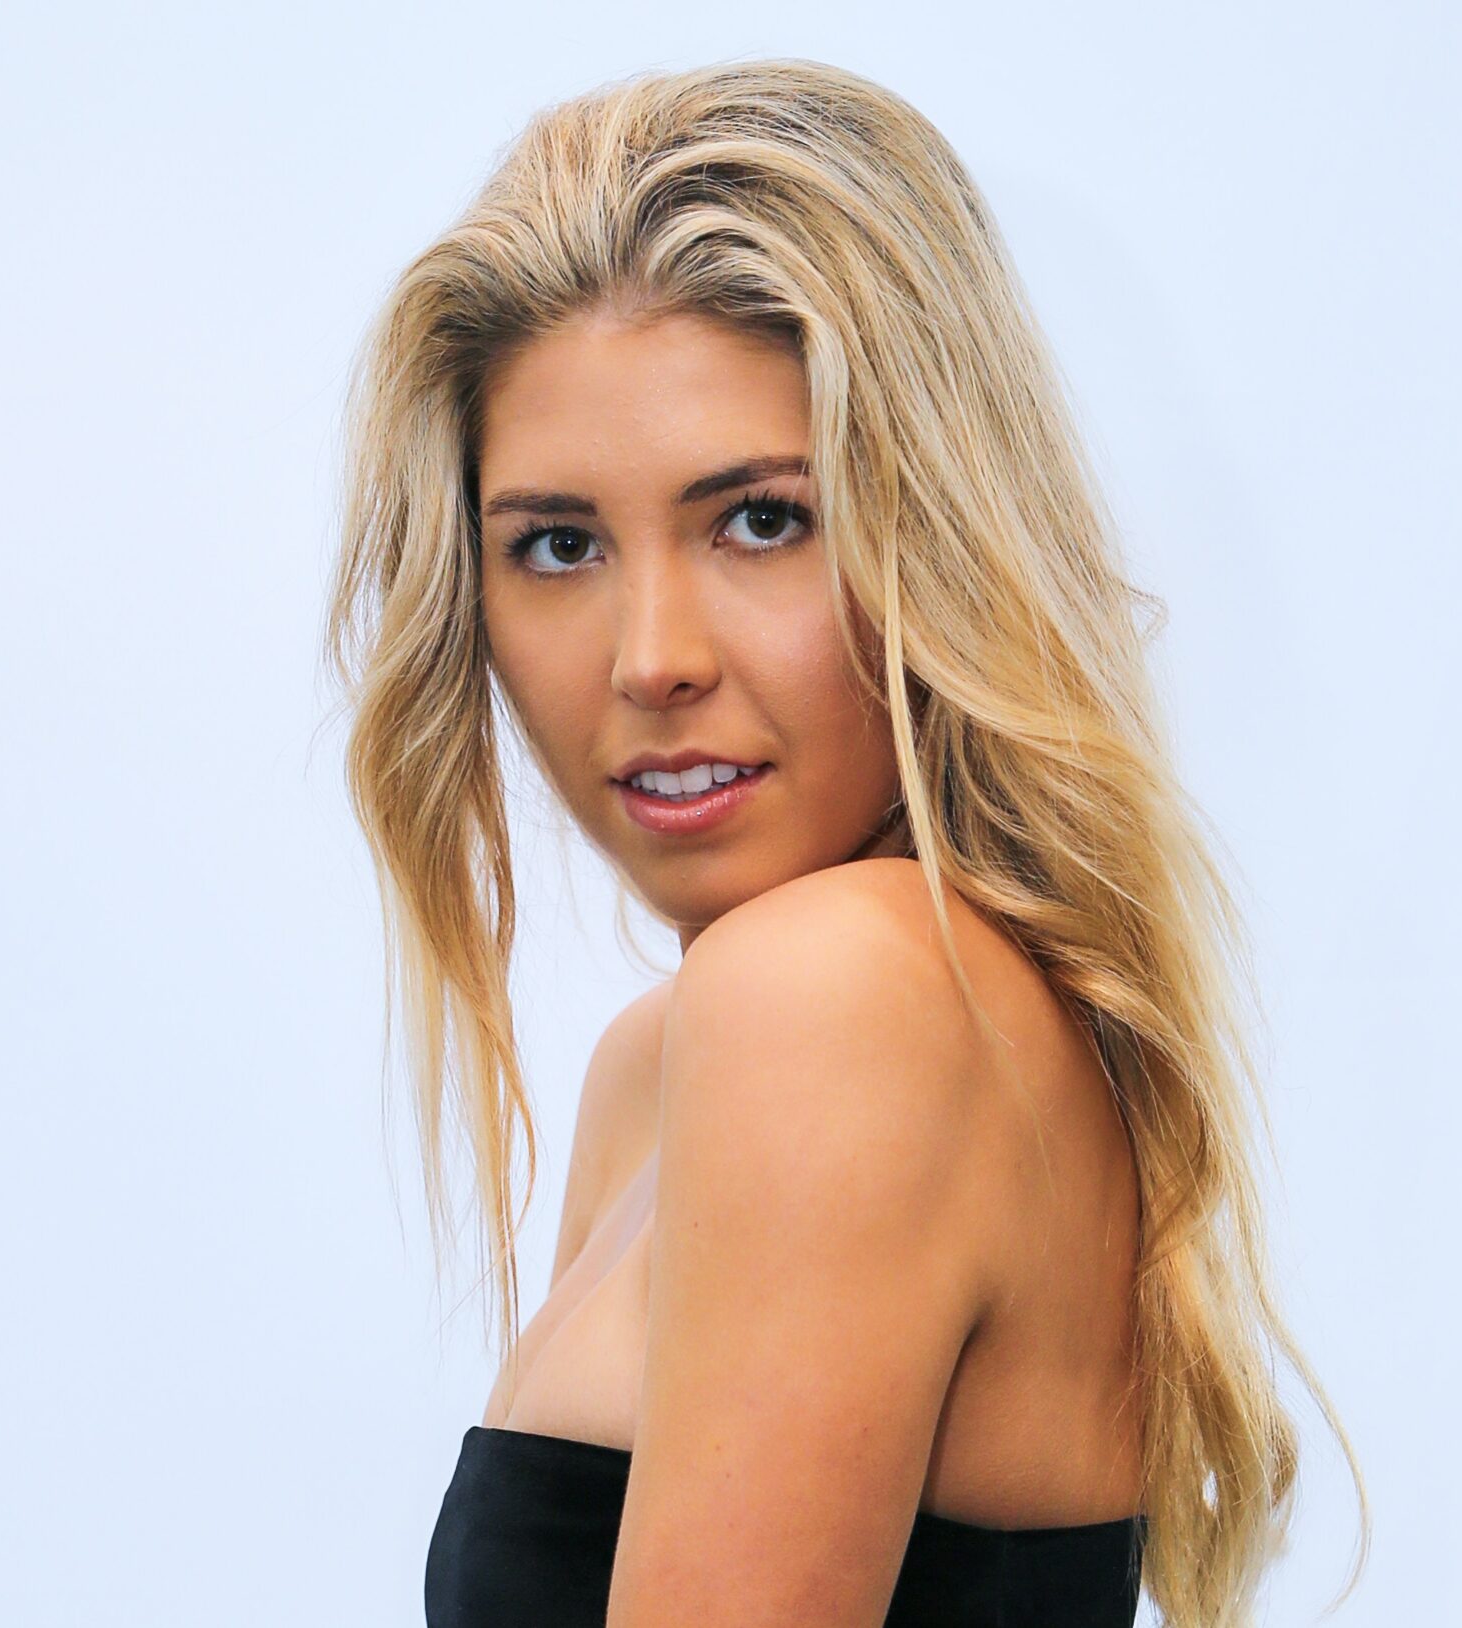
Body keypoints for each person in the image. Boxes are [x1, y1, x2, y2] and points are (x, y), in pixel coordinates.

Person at [320, 57, 1367, 1628]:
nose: (650, 659)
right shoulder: (666, 1064)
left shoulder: (834, 997)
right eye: (558, 544)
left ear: (936, 530)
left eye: (761, 520)